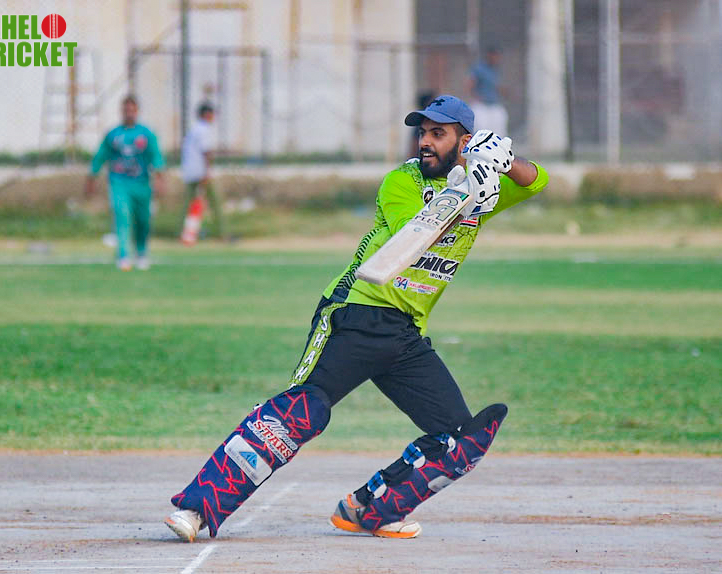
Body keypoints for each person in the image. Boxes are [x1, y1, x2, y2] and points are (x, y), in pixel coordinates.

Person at [164, 95, 548, 541]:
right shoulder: (402, 181)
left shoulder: (484, 184)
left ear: (465, 142)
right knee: (302, 411)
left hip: (406, 332)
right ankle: (196, 509)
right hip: (356, 313)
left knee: (459, 439)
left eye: (437, 134)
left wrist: (504, 162)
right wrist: (467, 194)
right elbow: (415, 233)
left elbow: (537, 181)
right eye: (422, 132)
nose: (424, 142)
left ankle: (369, 509)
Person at [85, 95, 166, 271]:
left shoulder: (146, 134)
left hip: (142, 183)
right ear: (121, 111)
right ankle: (123, 255)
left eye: (132, 110)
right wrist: (92, 177)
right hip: (119, 183)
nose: (129, 113)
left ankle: (141, 252)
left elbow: (156, 157)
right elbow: (100, 157)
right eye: (126, 109)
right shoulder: (113, 134)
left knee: (143, 220)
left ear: (137, 111)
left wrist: (160, 179)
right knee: (122, 215)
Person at [180, 102, 225, 240]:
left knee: (189, 203)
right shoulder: (204, 129)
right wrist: (207, 172)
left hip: (190, 170)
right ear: (206, 114)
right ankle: (221, 232)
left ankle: (183, 231)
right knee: (214, 201)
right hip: (199, 171)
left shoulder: (194, 129)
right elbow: (206, 152)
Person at [466, 46, 508, 135]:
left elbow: (498, 87)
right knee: (481, 128)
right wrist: (476, 97)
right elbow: (470, 84)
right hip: (481, 105)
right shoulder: (479, 68)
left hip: (494, 103)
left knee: (499, 126)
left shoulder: (497, 70)